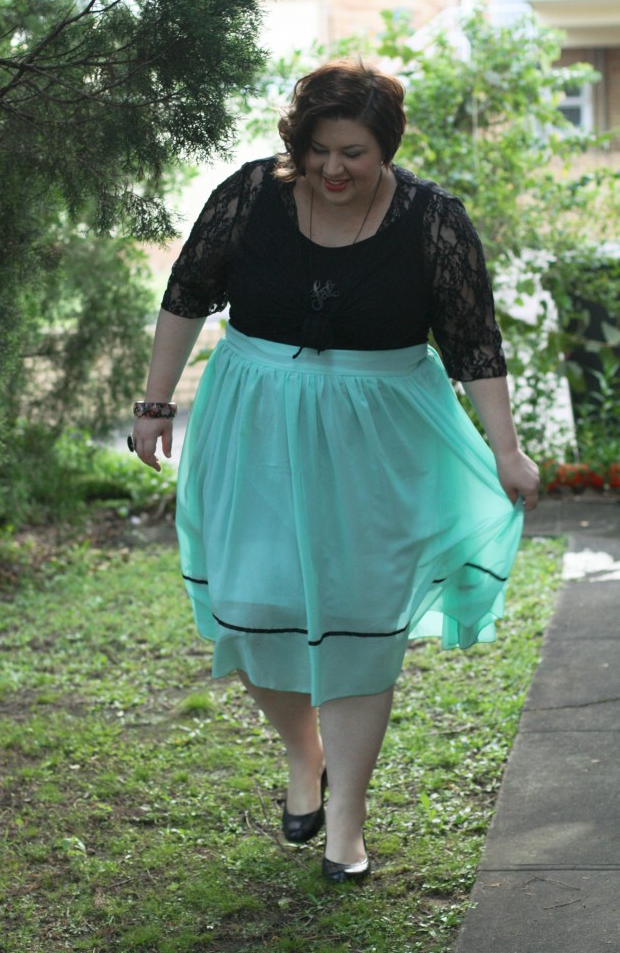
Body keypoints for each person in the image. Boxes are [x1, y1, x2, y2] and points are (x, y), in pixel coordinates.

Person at [130, 59, 540, 883]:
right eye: (318, 150)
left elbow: (473, 342)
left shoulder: (434, 221)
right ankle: (302, 752)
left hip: (380, 442)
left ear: (386, 145)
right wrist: (154, 402)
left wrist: (505, 445)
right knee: (250, 609)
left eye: (352, 151)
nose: (333, 169)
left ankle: (345, 823)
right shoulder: (250, 195)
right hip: (256, 426)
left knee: (359, 624)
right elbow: (186, 292)